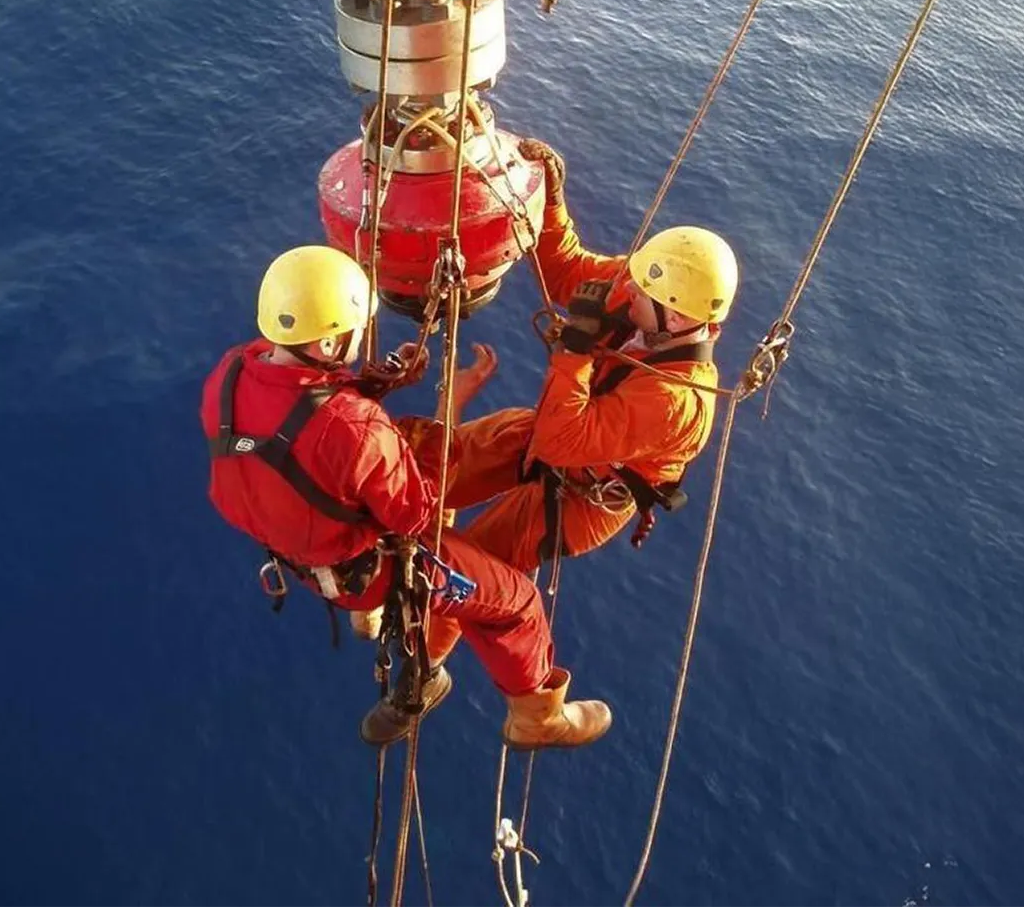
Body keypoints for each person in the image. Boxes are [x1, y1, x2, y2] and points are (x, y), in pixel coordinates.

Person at [201, 244, 611, 750]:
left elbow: (298, 411)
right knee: (515, 602)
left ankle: (393, 644)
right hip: (368, 569)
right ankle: (537, 719)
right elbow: (417, 514)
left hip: (305, 551)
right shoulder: (356, 428)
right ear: (330, 344)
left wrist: (381, 380)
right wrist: (449, 407)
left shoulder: (232, 371)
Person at [399, 141, 738, 669]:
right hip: (548, 435)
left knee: (462, 571)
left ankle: (423, 672)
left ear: (677, 318)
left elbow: (567, 439)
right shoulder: (645, 295)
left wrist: (574, 354)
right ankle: (373, 542)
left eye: (643, 289)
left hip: (583, 497)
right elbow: (564, 269)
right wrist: (553, 197)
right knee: (417, 470)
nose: (628, 287)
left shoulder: (676, 400)